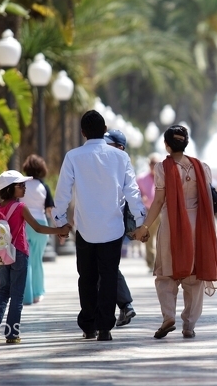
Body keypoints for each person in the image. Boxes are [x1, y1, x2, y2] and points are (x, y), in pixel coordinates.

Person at [53, 111, 148, 342]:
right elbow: (132, 191)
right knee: (107, 277)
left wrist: (60, 221)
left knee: (86, 277)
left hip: (85, 229)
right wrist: (141, 221)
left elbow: (63, 191)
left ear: (83, 132)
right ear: (105, 128)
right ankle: (105, 328)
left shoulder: (73, 156)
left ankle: (88, 325)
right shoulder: (120, 157)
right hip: (112, 229)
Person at [131, 124, 217, 339]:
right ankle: (189, 325)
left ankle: (168, 316)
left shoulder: (163, 168)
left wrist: (144, 226)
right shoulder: (203, 167)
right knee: (195, 277)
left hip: (172, 224)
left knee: (166, 274)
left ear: (166, 145)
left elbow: (159, 199)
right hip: (198, 226)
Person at [0, 170, 71, 343]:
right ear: (10, 188)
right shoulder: (21, 208)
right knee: (17, 296)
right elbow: (38, 228)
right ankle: (12, 334)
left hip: (2, 255)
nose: (25, 188)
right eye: (21, 185)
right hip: (19, 255)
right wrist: (59, 230)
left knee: (3, 290)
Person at [104, 129, 137, 327]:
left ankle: (123, 306)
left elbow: (132, 193)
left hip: (113, 224)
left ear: (120, 148)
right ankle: (125, 306)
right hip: (102, 223)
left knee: (105, 269)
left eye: (109, 144)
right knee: (108, 267)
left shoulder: (122, 164)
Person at [20, 155, 55, 306]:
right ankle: (37, 294)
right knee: (37, 261)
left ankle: (25, 296)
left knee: (25, 261)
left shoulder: (21, 185)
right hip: (41, 225)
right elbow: (49, 210)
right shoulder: (44, 187)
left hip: (25, 224)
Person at [137, 152, 164, 271]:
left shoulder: (165, 177)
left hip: (163, 211)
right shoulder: (141, 178)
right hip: (149, 211)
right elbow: (136, 194)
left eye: (156, 163)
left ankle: (162, 262)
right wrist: (141, 198)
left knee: (163, 238)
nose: (153, 166)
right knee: (149, 238)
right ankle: (151, 263)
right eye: (152, 163)